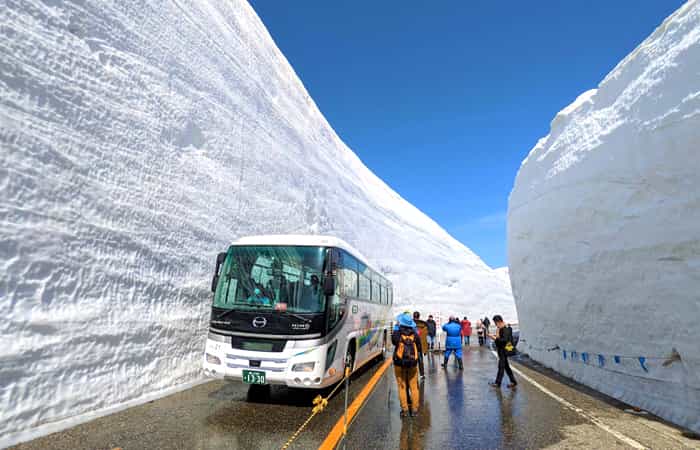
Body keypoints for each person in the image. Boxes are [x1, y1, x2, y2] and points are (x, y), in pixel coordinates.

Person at [392, 312, 422, 418]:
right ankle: (414, 410)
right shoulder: (415, 334)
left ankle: (404, 410)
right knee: (414, 387)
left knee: (402, 387)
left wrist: (396, 327)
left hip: (399, 363)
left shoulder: (397, 333)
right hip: (412, 364)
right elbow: (419, 347)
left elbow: (394, 342)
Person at [488, 315, 517, 388]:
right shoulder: (502, 328)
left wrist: (494, 338)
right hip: (503, 350)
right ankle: (513, 381)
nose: (495, 324)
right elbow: (502, 337)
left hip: (504, 351)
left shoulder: (505, 329)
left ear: (498, 321)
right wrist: (496, 335)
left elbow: (504, 340)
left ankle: (498, 383)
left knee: (501, 367)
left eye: (495, 322)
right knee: (506, 367)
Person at [413, 312, 429, 379]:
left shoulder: (409, 324)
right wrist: (425, 349)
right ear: (419, 316)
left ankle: (413, 374)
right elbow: (424, 337)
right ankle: (422, 374)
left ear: (413, 316)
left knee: (412, 360)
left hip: (412, 345)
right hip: (420, 346)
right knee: (420, 360)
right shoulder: (424, 325)